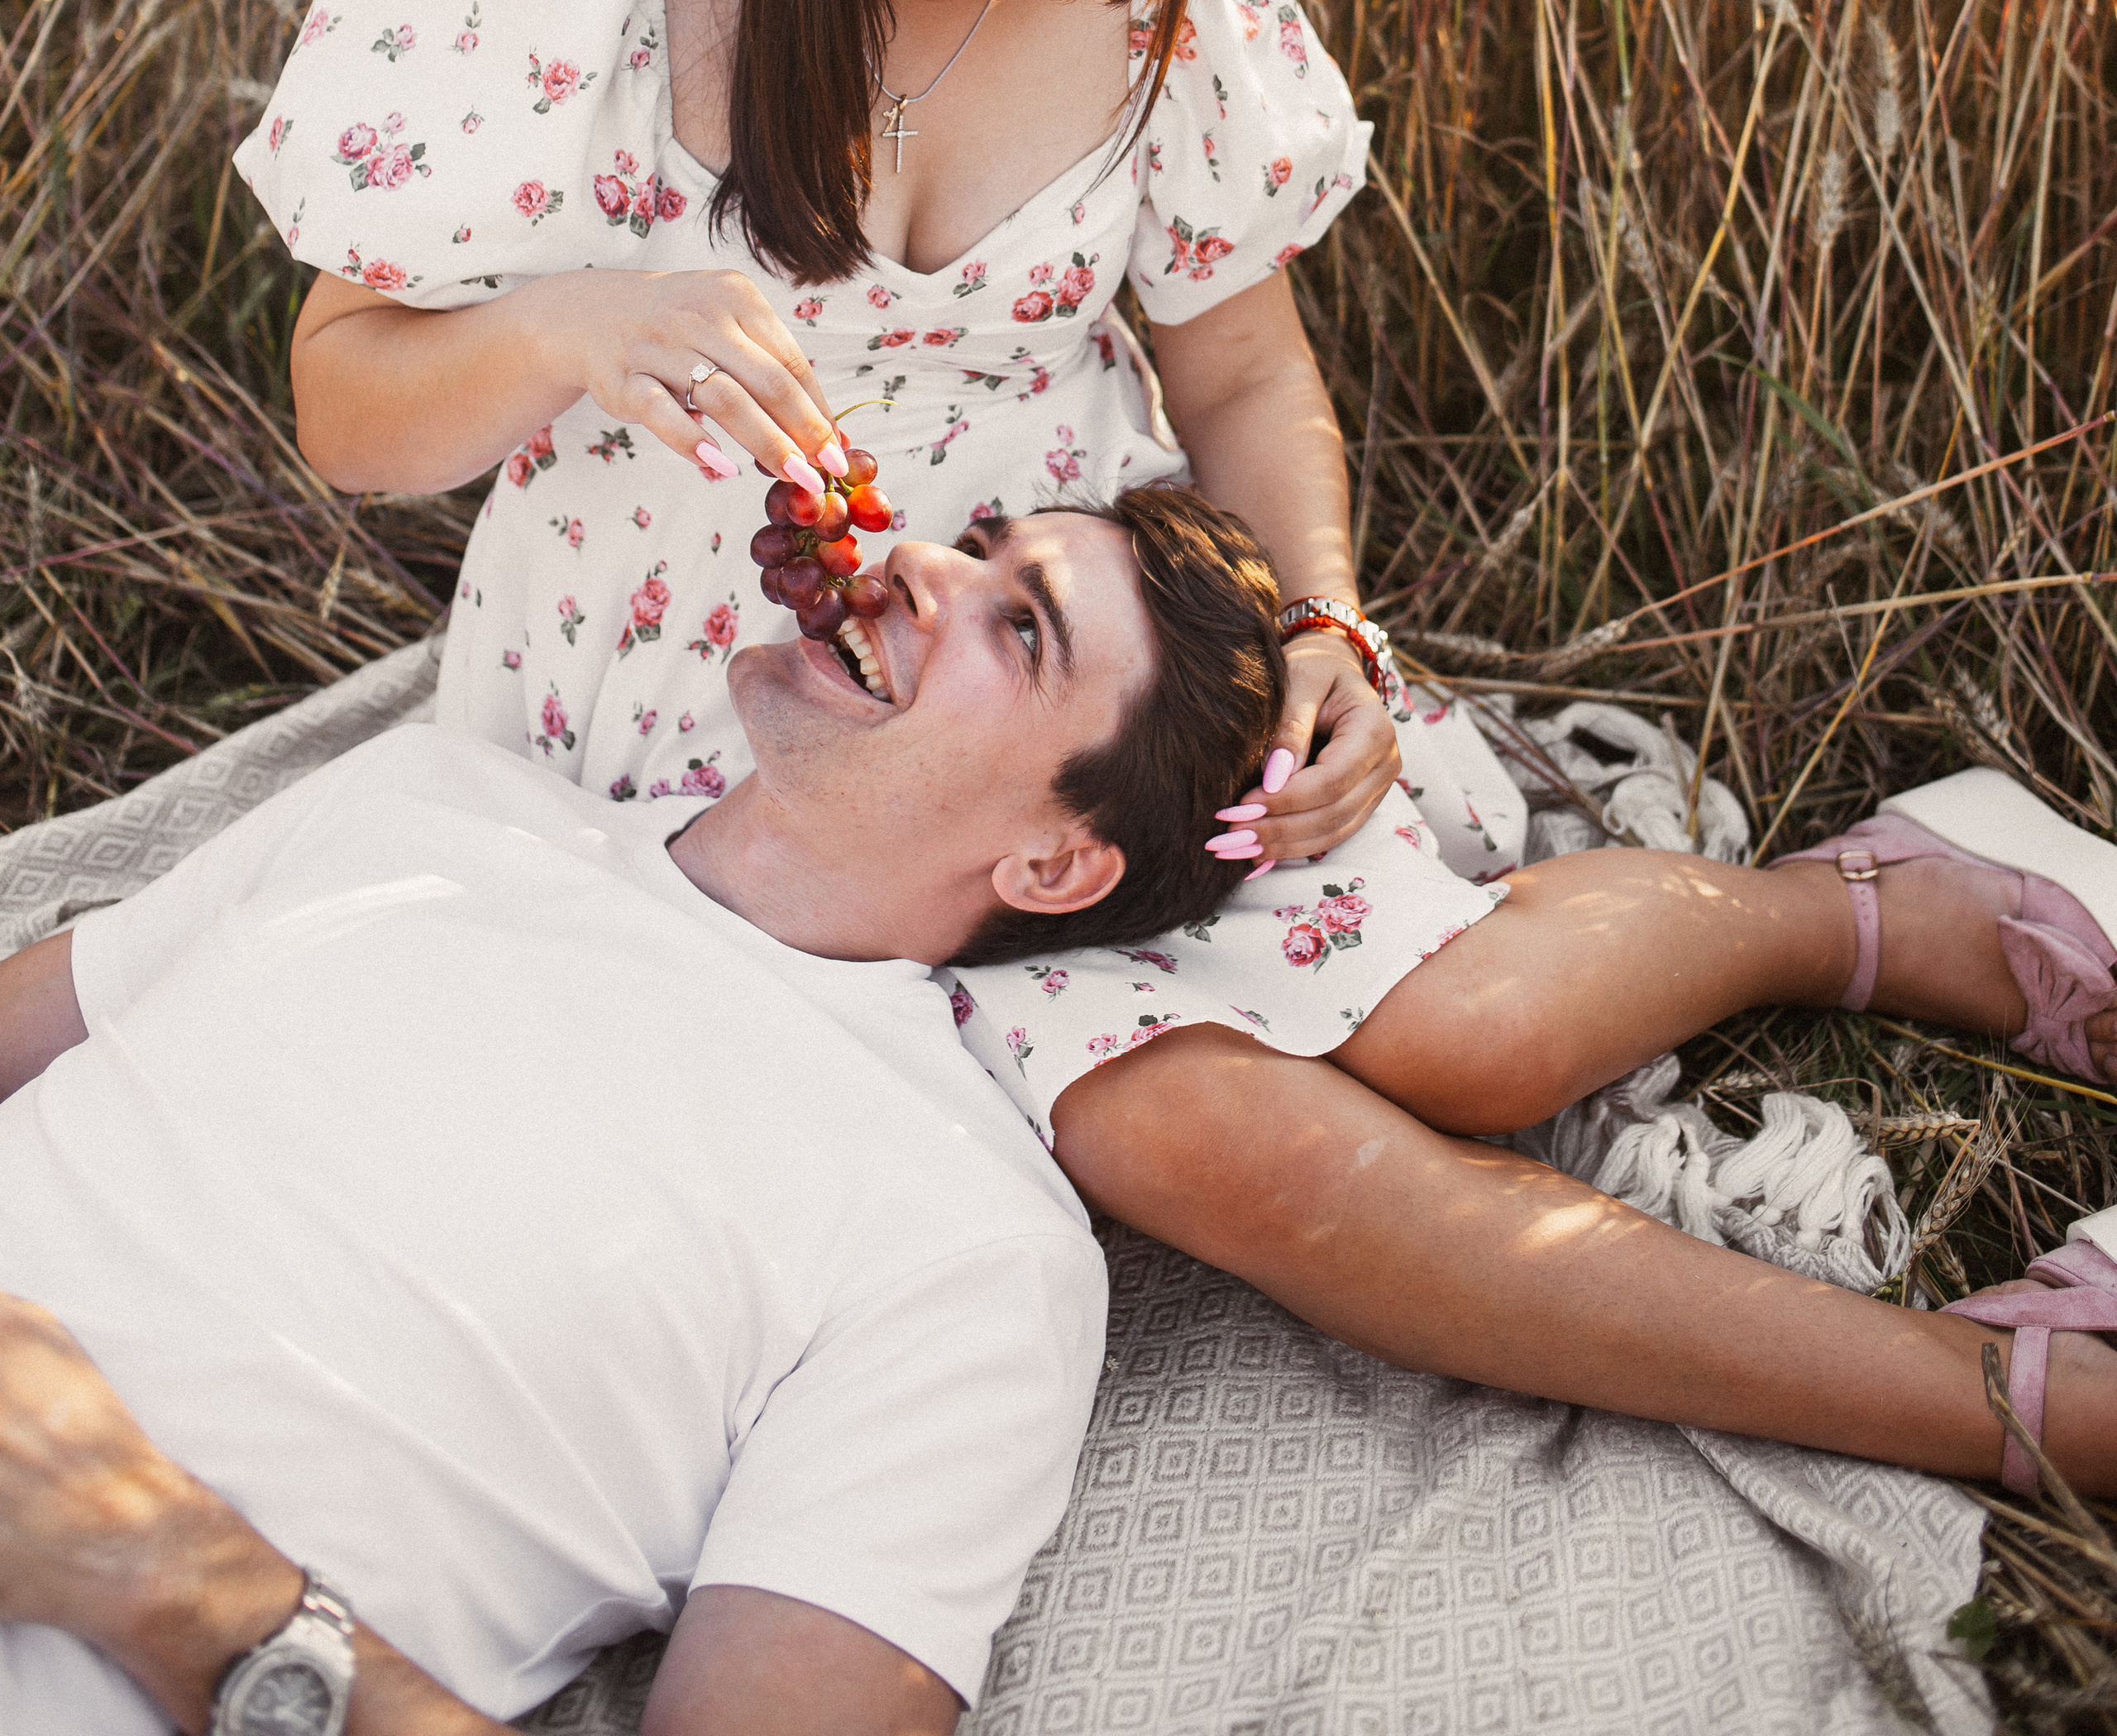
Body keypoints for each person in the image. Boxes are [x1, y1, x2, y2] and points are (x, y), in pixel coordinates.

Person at [234, 0, 2117, 1499]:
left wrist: (1321, 626)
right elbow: (348, 409)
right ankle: (1996, 1409)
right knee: (1206, 1140)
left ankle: (1852, 912)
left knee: (1473, 1041)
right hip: (706, 715)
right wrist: (564, 328)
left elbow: (1236, 368)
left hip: (1080, 652)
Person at [0, 488, 1283, 1736]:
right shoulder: (424, 794)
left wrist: (169, 1571)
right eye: (972, 543)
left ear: (1054, 864)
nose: (918, 563)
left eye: (1022, 627)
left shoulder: (971, 1248)